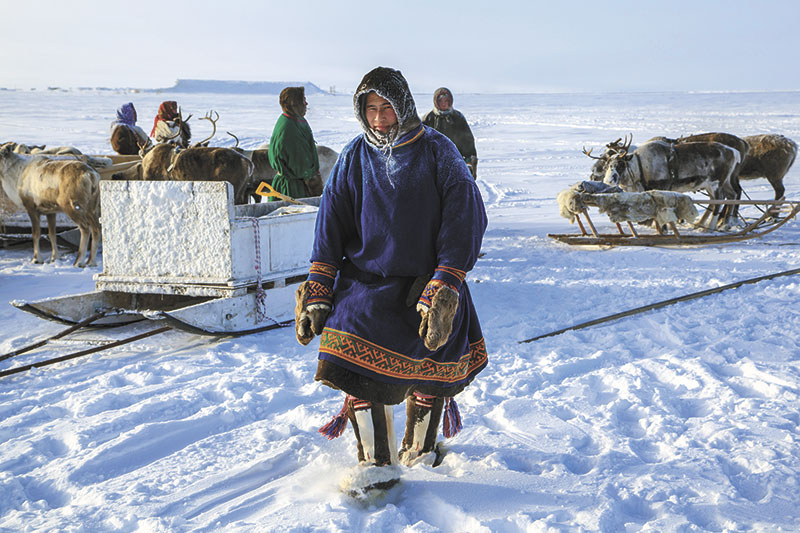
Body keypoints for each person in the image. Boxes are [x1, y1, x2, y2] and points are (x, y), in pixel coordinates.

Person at [294, 67, 488, 476]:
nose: (379, 119)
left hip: (427, 279)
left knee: (434, 347)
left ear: (402, 106)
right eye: (370, 109)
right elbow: (331, 223)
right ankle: (375, 461)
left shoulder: (439, 151)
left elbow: (464, 216)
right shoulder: (353, 156)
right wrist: (319, 288)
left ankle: (420, 448)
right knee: (347, 345)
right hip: (367, 280)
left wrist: (446, 281)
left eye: (386, 108)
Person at [267, 87, 322, 200]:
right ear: (294, 104)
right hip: (292, 191)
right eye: (303, 100)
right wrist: (315, 187)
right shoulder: (289, 129)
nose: (306, 103)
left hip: (293, 187)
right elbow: (301, 167)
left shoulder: (294, 120)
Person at [421, 87, 478, 178]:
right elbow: (421, 141)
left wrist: (469, 160)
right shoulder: (428, 118)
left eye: (446, 101)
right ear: (436, 102)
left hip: (455, 160)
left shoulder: (458, 117)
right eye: (441, 101)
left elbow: (467, 140)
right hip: (433, 162)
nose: (444, 104)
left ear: (450, 101)